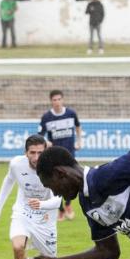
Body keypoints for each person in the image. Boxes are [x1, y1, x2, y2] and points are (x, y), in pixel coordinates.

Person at [0, 135, 64, 259]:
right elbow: (8, 181)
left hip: (45, 217)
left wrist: (42, 204)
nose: (37, 157)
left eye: (40, 152)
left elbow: (58, 200)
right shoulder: (16, 164)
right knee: (17, 246)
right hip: (23, 211)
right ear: (26, 152)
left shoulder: (54, 168)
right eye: (32, 153)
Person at [38, 89, 82, 221]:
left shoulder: (71, 113)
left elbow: (78, 127)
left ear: (62, 100)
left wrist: (79, 141)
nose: (57, 102)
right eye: (54, 100)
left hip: (69, 155)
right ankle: (61, 210)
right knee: (56, 183)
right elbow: (40, 136)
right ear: (51, 101)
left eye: (59, 99)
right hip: (55, 156)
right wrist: (47, 142)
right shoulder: (46, 117)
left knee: (71, 180)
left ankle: (68, 205)